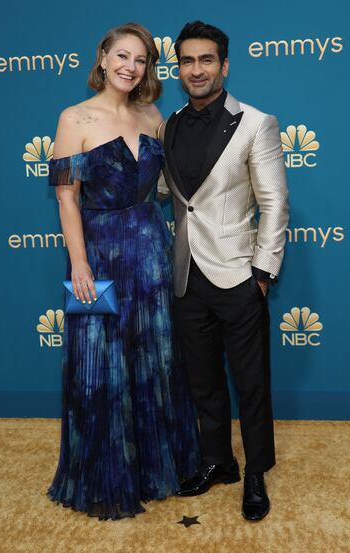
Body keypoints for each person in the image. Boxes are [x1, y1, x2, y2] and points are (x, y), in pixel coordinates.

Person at [47, 22, 199, 521]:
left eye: (141, 60)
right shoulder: (74, 117)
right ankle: (105, 477)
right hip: (100, 255)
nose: (130, 66)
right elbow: (66, 198)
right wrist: (80, 262)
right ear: (104, 56)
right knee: (99, 365)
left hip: (151, 251)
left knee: (155, 359)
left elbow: (162, 188)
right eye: (123, 56)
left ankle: (157, 470)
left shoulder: (153, 113)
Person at [158, 21, 289, 521]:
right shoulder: (167, 125)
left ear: (224, 66)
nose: (197, 69)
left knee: (252, 382)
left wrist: (263, 271)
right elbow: (175, 199)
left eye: (206, 60)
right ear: (179, 68)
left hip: (238, 274)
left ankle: (255, 472)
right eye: (187, 61)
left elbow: (274, 203)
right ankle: (219, 462)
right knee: (203, 380)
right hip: (187, 274)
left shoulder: (257, 122)